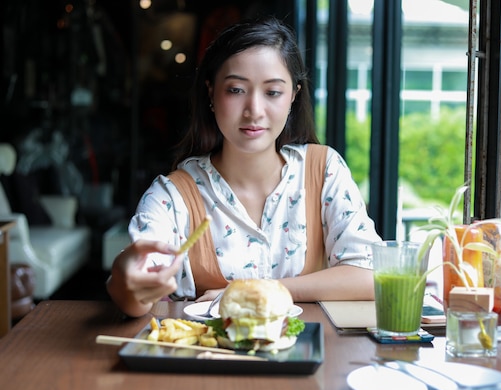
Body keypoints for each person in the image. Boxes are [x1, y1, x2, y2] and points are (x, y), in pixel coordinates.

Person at [107, 17, 381, 318]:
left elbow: (367, 275)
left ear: (294, 96)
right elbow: (132, 295)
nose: (254, 110)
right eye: (236, 90)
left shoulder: (323, 170)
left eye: (272, 92)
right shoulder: (172, 196)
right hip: (208, 360)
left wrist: (255, 290)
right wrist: (125, 276)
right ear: (211, 93)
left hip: (302, 358)